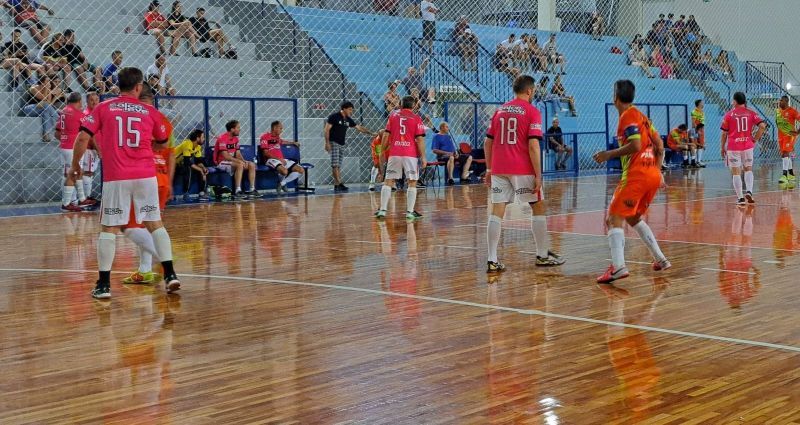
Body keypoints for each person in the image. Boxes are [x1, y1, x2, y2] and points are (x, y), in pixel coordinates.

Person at [69, 66, 181, 299]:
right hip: (145, 175)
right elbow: (161, 140)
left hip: (117, 177)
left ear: (118, 85)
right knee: (154, 223)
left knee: (109, 228)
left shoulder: (103, 107)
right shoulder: (149, 111)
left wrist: (75, 165)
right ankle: (170, 274)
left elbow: (82, 138)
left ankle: (103, 285)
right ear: (139, 87)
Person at [484, 75, 565, 273]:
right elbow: (533, 145)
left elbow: (488, 142)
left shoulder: (500, 110)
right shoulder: (532, 111)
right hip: (522, 167)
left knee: (497, 210)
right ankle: (542, 255)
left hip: (499, 167)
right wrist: (539, 175)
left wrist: (488, 169)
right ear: (530, 91)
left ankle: (492, 259)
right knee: (537, 206)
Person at [592, 79, 670, 283]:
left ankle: (618, 267)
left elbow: (635, 145)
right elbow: (660, 145)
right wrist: (658, 171)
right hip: (651, 173)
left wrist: (608, 155)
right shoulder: (643, 117)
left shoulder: (627, 117)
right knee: (633, 217)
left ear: (615, 97)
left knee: (613, 219)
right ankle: (660, 259)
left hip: (636, 176)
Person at [120, 82, 176, 285]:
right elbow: (170, 152)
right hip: (160, 179)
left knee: (126, 224)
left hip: (140, 177)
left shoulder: (131, 116)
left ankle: (165, 260)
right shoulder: (162, 119)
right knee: (150, 225)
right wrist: (169, 182)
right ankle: (144, 270)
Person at [374, 95, 427, 220]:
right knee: (412, 182)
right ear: (413, 106)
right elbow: (420, 139)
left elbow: (387, 134)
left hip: (395, 152)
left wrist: (382, 151)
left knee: (389, 181)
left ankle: (382, 210)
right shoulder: (416, 118)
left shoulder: (393, 115)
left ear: (400, 104)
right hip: (410, 154)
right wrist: (424, 157)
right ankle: (409, 212)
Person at [721, 92, 767, 205]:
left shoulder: (728, 115)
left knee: (736, 172)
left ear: (735, 101)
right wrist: (755, 139)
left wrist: (722, 147)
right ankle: (750, 192)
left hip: (733, 147)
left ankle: (740, 198)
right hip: (747, 146)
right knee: (748, 169)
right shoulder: (751, 112)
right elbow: (762, 126)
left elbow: (724, 133)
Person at [324, 101, 375, 191]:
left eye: (352, 110)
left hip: (341, 143)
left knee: (338, 165)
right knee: (334, 164)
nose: (351, 112)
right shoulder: (334, 117)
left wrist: (370, 133)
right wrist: (327, 143)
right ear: (344, 109)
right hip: (333, 142)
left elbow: (358, 127)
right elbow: (327, 130)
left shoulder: (348, 119)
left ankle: (337, 184)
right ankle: (339, 183)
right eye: (350, 109)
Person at [55, 92, 93, 211]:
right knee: (73, 173)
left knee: (75, 172)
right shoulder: (78, 114)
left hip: (65, 146)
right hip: (72, 147)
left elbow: (57, 132)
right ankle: (66, 203)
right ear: (79, 101)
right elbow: (89, 131)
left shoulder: (63, 111)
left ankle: (81, 199)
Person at [213, 119, 258, 198]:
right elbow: (225, 156)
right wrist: (239, 161)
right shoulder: (222, 138)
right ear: (232, 129)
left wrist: (244, 161)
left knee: (251, 164)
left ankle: (252, 189)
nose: (239, 129)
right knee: (239, 164)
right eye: (238, 127)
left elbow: (237, 153)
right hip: (221, 162)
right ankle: (237, 191)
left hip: (232, 162)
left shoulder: (236, 139)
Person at [259, 120, 304, 194]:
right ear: (274, 128)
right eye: (280, 128)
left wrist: (293, 143)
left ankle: (282, 183)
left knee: (301, 170)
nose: (282, 130)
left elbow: (282, 142)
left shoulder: (277, 137)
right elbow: (265, 153)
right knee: (284, 171)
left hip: (281, 160)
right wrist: (278, 159)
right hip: (271, 160)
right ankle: (282, 184)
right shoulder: (265, 137)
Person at [21, 74, 59, 143]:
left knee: (46, 112)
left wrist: (48, 91)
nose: (49, 82)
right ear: (42, 82)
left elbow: (49, 104)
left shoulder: (47, 89)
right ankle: (58, 119)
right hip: (29, 109)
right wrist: (46, 90)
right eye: (47, 81)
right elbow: (43, 99)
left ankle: (45, 134)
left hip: (41, 109)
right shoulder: (33, 88)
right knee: (45, 105)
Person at [174, 129, 209, 200]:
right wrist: (200, 170)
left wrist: (203, 168)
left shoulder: (198, 147)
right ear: (197, 138)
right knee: (188, 169)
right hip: (173, 164)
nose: (204, 139)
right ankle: (185, 193)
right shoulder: (187, 144)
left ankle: (201, 192)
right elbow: (187, 162)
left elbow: (199, 161)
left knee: (203, 170)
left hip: (181, 164)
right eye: (202, 137)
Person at [80, 91, 101, 201]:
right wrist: (99, 150)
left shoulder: (97, 113)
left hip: (95, 148)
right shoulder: (87, 114)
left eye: (96, 99)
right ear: (87, 101)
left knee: (90, 173)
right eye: (91, 100)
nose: (94, 102)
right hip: (89, 148)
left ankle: (86, 196)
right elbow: (90, 136)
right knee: (88, 173)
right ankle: (85, 198)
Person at [776, 95, 800, 184]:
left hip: (790, 135)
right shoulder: (778, 111)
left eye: (781, 100)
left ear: (786, 101)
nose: (779, 102)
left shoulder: (792, 111)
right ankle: (791, 174)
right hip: (781, 135)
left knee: (785, 153)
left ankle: (784, 175)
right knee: (784, 154)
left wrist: (797, 132)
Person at [691, 99, 706, 167]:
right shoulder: (694, 112)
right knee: (696, 144)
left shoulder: (702, 112)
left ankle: (699, 161)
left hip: (702, 129)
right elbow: (693, 123)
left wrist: (702, 130)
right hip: (697, 130)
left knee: (701, 145)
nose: (703, 104)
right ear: (699, 104)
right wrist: (697, 131)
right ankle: (695, 161)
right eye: (702, 103)